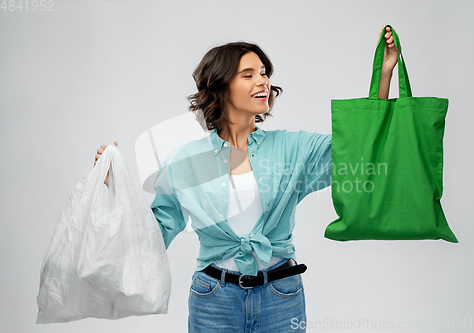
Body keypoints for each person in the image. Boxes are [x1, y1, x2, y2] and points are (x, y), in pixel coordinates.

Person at [94, 24, 398, 332]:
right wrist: (116, 190)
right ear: (222, 86)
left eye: (264, 73)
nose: (263, 81)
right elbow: (155, 233)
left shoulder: (293, 148)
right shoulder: (184, 161)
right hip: (213, 299)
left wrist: (384, 75)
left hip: (281, 296)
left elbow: (360, 148)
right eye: (248, 74)